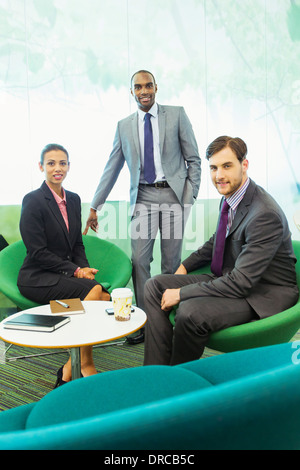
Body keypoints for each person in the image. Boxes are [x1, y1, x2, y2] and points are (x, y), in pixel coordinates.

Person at [143, 135, 299, 365]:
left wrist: (181, 293)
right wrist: (185, 266)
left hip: (261, 293)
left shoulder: (265, 214)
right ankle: (157, 371)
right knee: (154, 285)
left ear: (244, 165)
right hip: (232, 277)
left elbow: (242, 283)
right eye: (214, 168)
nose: (219, 176)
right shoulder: (230, 197)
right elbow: (217, 242)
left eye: (227, 166)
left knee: (190, 311)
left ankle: (180, 379)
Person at [84, 70, 201, 343]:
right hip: (143, 198)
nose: (143, 90)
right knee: (139, 261)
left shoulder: (177, 114)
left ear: (156, 88)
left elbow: (194, 159)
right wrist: (95, 206)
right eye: (138, 87)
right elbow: (111, 167)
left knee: (171, 263)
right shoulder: (124, 126)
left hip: (173, 196)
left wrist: (189, 197)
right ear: (132, 91)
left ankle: (168, 321)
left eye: (148, 85)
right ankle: (146, 322)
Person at [17, 143, 110, 387]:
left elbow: (77, 243)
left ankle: (69, 368)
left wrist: (85, 269)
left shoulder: (75, 200)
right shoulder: (33, 201)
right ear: (41, 167)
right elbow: (37, 253)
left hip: (63, 277)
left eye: (62, 163)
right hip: (37, 278)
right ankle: (84, 366)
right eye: (51, 163)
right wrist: (76, 272)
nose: (57, 168)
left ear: (68, 166)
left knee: (103, 297)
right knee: (94, 293)